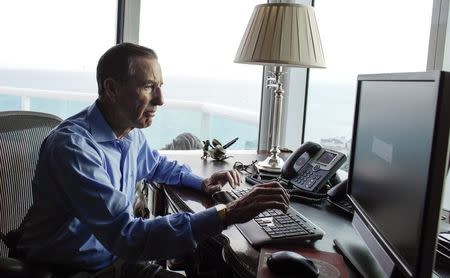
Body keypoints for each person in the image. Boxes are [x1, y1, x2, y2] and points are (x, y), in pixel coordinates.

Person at [16, 43, 289, 278]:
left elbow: (156, 165)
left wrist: (202, 183)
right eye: (148, 86)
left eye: (160, 87)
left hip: (114, 258)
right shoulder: (73, 148)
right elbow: (127, 236)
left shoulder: (127, 132)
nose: (160, 99)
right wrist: (229, 213)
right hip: (70, 269)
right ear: (111, 89)